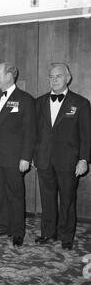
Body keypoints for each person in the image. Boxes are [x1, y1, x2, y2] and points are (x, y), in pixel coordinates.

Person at [34, 63, 91, 250]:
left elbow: (86, 134)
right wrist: (34, 156)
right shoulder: (39, 102)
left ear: (68, 78)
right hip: (44, 160)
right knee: (47, 198)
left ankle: (67, 236)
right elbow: (34, 132)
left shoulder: (81, 103)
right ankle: (48, 232)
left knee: (67, 199)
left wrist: (84, 159)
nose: (54, 80)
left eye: (59, 76)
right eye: (51, 76)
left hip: (69, 161)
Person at [0, 62, 36, 247]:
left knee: (16, 194)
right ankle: (4, 226)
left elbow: (30, 132)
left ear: (9, 75)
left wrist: (26, 157)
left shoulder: (25, 99)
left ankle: (18, 231)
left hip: (15, 158)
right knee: (0, 194)